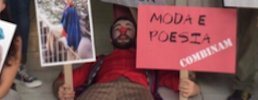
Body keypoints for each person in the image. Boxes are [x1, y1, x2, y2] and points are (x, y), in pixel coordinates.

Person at [53, 17, 200, 100]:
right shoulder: (98, 60)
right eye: (118, 29)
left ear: (136, 37)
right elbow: (64, 79)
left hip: (137, 89)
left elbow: (176, 80)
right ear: (111, 39)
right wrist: (60, 89)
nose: (123, 31)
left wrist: (194, 88)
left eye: (129, 28)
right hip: (101, 88)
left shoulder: (149, 60)